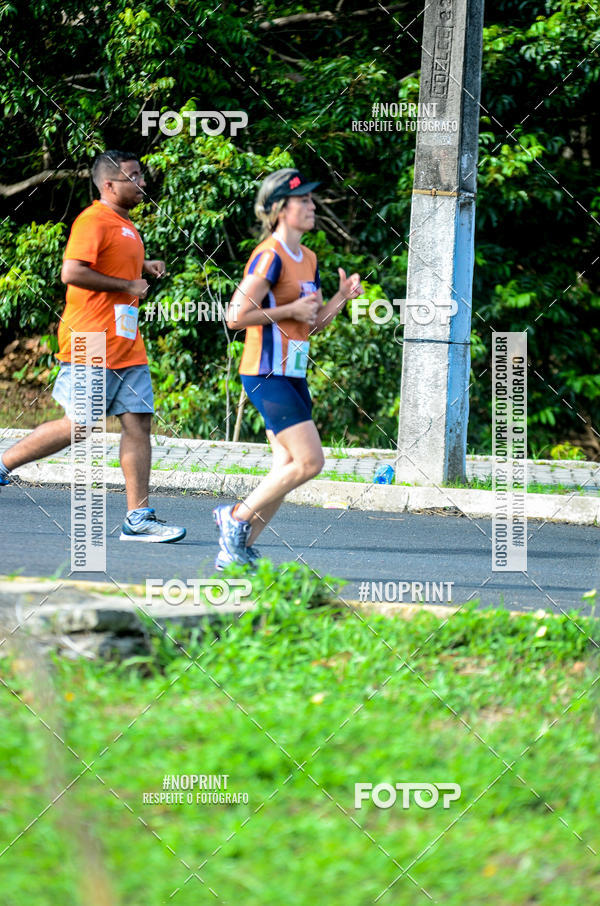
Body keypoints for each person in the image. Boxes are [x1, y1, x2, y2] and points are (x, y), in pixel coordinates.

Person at [0, 150, 185, 543]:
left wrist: (142, 267)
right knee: (81, 426)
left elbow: (111, 268)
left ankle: (139, 517)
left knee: (138, 423)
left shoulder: (125, 224)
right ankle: (4, 464)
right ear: (110, 184)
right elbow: (73, 272)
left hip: (127, 345)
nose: (142, 183)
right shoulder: (93, 220)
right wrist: (127, 286)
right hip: (91, 341)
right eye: (134, 176)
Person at [213, 168, 362, 569]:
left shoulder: (308, 257)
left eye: (312, 200)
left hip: (292, 372)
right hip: (264, 372)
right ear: (281, 208)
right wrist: (288, 309)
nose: (312, 206)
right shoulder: (269, 255)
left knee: (285, 466)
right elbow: (236, 315)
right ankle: (235, 518)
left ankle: (236, 551)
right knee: (310, 462)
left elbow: (311, 323)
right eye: (304, 201)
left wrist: (341, 297)